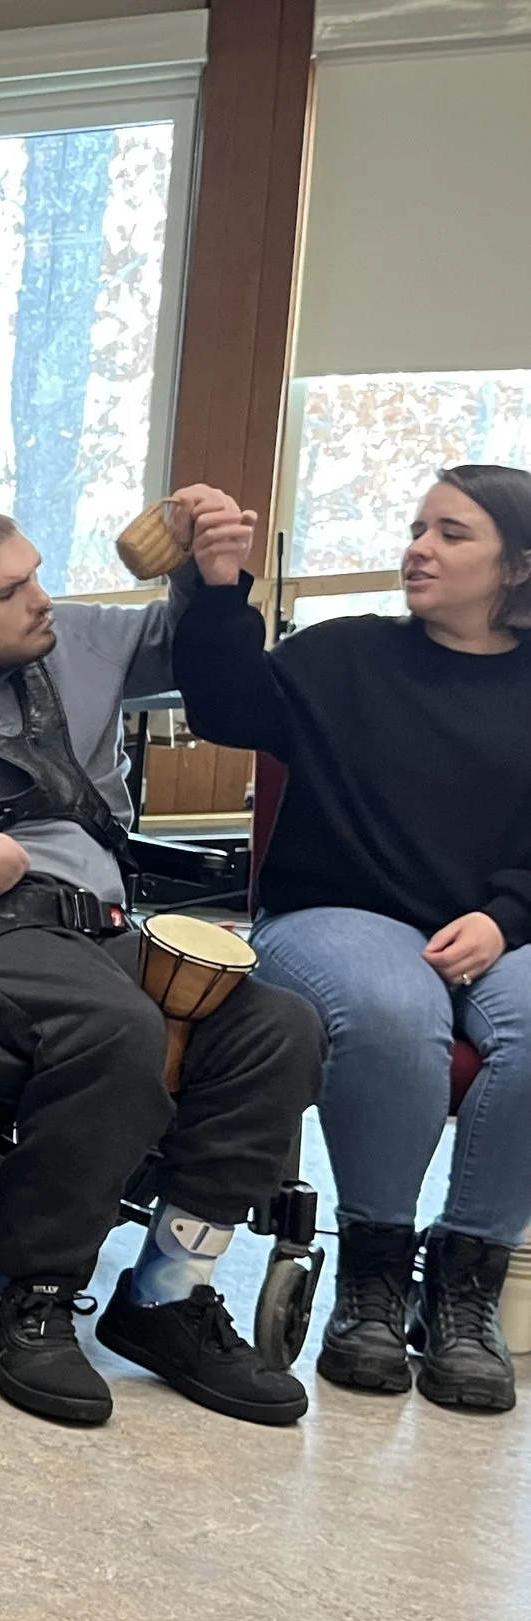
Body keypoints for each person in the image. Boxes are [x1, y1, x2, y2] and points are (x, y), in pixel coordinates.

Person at [0, 496, 324, 1428]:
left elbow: (189, 647)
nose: (44, 599)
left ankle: (167, 1292)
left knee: (277, 1027)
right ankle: (29, 1295)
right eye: (13, 590)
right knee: (114, 1027)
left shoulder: (73, 641)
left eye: (38, 573)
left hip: (99, 927)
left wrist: (207, 571)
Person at [173, 464, 531, 1413]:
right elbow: (223, 708)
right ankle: (371, 1278)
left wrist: (507, 918)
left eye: (453, 533)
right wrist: (215, 585)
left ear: (519, 567)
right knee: (391, 1005)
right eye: (418, 526)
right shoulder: (346, 654)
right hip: (336, 916)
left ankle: (466, 1290)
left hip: (504, 926)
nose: (419, 546)